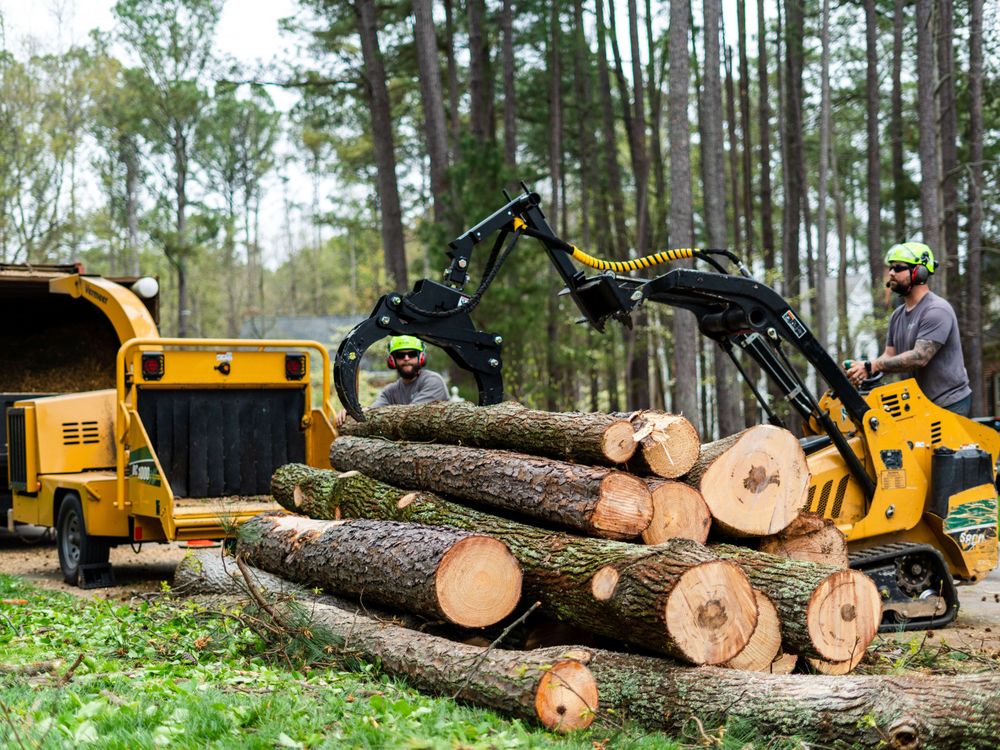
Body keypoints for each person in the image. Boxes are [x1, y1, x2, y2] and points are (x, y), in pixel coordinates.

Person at [845, 242, 972, 416]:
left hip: (949, 403)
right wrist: (865, 369)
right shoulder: (897, 316)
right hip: (919, 405)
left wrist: (874, 365)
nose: (891, 272)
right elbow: (889, 355)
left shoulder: (937, 310)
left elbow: (920, 357)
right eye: (891, 268)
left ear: (919, 272)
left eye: (898, 268)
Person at [336, 335, 448, 425]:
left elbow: (412, 414)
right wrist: (353, 412)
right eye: (400, 355)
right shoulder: (390, 392)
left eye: (412, 354)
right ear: (392, 360)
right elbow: (372, 411)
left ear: (421, 357)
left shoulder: (433, 381)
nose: (406, 358)